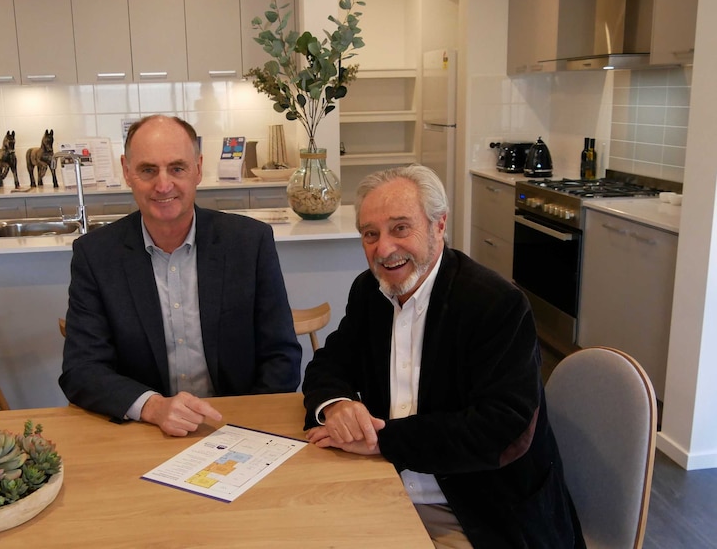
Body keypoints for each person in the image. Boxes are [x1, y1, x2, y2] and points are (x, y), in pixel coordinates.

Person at [301, 165, 584, 549]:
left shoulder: (495, 304)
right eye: (370, 234)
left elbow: (502, 430)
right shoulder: (370, 292)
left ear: (439, 225)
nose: (384, 249)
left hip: (480, 511)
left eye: (401, 228)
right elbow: (329, 364)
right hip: (387, 488)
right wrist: (336, 406)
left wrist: (384, 441)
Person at [60, 115, 301, 435]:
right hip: (144, 430)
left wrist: (247, 426)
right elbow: (82, 370)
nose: (163, 185)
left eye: (177, 168)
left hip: (238, 427)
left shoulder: (249, 242)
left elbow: (280, 355)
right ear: (127, 171)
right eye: (148, 170)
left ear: (198, 169)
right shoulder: (96, 255)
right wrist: (152, 406)